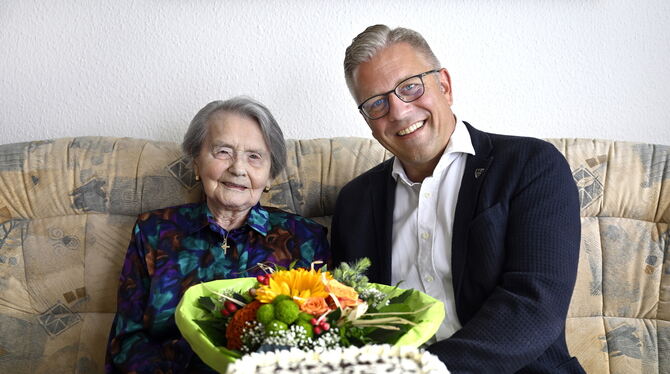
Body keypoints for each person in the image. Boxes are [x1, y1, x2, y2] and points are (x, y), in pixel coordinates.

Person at [332, 25, 584, 373]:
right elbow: (353, 318)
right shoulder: (354, 203)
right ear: (367, 120)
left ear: (445, 85)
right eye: (377, 103)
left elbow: (534, 306)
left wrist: (421, 370)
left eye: (410, 87)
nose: (400, 112)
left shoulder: (531, 165)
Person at [105, 97, 330, 373]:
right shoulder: (154, 231)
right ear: (196, 163)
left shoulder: (304, 239)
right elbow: (126, 341)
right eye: (223, 152)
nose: (238, 168)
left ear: (270, 175)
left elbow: (321, 340)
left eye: (254, 156)